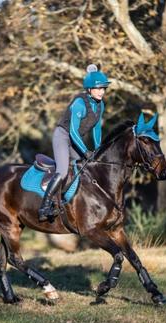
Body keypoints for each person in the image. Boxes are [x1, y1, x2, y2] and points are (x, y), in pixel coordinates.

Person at [38, 64, 110, 222]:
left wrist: (98, 150)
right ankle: (44, 207)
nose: (102, 92)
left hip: (75, 139)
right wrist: (85, 152)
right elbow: (72, 132)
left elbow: (96, 129)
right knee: (63, 171)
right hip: (63, 136)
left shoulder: (100, 105)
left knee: (84, 169)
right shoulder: (79, 103)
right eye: (99, 89)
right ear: (89, 89)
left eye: (103, 88)